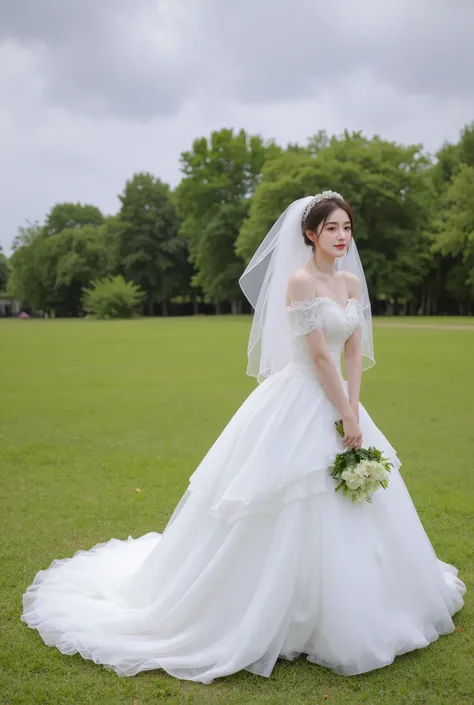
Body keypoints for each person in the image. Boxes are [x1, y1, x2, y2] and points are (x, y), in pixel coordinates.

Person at [21, 192, 466, 684]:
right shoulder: (300, 282)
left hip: (341, 400)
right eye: (332, 228)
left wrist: (353, 412)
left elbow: (353, 353)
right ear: (310, 234)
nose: (342, 237)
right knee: (282, 498)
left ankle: (363, 603)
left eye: (347, 228)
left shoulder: (351, 281)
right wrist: (344, 414)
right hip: (298, 398)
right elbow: (319, 358)